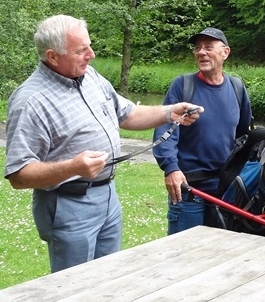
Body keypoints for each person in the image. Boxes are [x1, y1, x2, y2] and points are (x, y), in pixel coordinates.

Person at [3, 15, 202, 273]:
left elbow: (127, 114)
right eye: (81, 50)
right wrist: (73, 167)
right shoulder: (31, 101)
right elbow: (18, 174)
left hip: (107, 196)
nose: (92, 54)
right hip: (68, 204)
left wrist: (169, 113)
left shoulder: (91, 77)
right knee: (74, 287)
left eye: (89, 45)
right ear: (52, 56)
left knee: (108, 279)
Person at [153, 27, 252, 235]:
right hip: (189, 189)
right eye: (197, 48)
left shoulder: (237, 87)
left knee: (218, 252)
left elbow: (243, 136)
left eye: (208, 47)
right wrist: (170, 168)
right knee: (183, 254)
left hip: (225, 190)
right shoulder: (183, 85)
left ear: (225, 52)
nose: (201, 52)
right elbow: (165, 131)